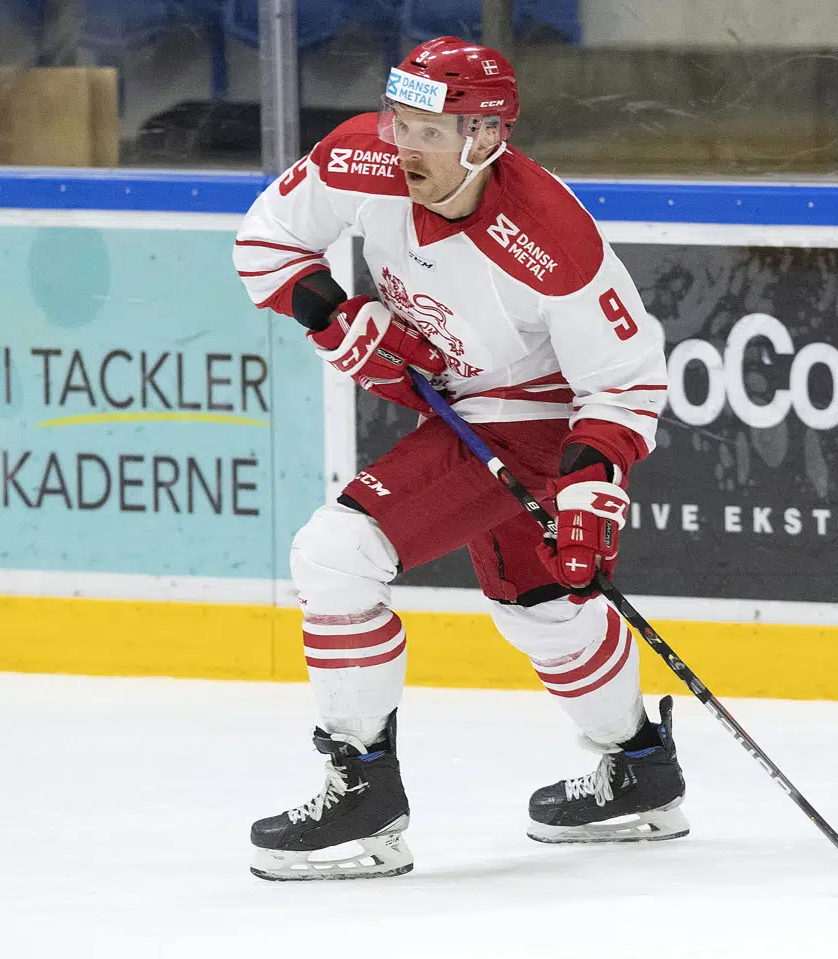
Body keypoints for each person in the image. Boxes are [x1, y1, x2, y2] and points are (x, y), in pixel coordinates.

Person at [234, 36, 685, 881]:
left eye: (430, 133)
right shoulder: (362, 156)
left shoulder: (550, 236)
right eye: (399, 123)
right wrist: (333, 313)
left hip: (536, 413)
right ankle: (640, 770)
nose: (405, 147)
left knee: (335, 555)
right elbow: (267, 241)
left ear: (485, 137)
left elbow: (623, 383)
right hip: (462, 399)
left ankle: (363, 794)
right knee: (540, 607)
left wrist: (590, 490)